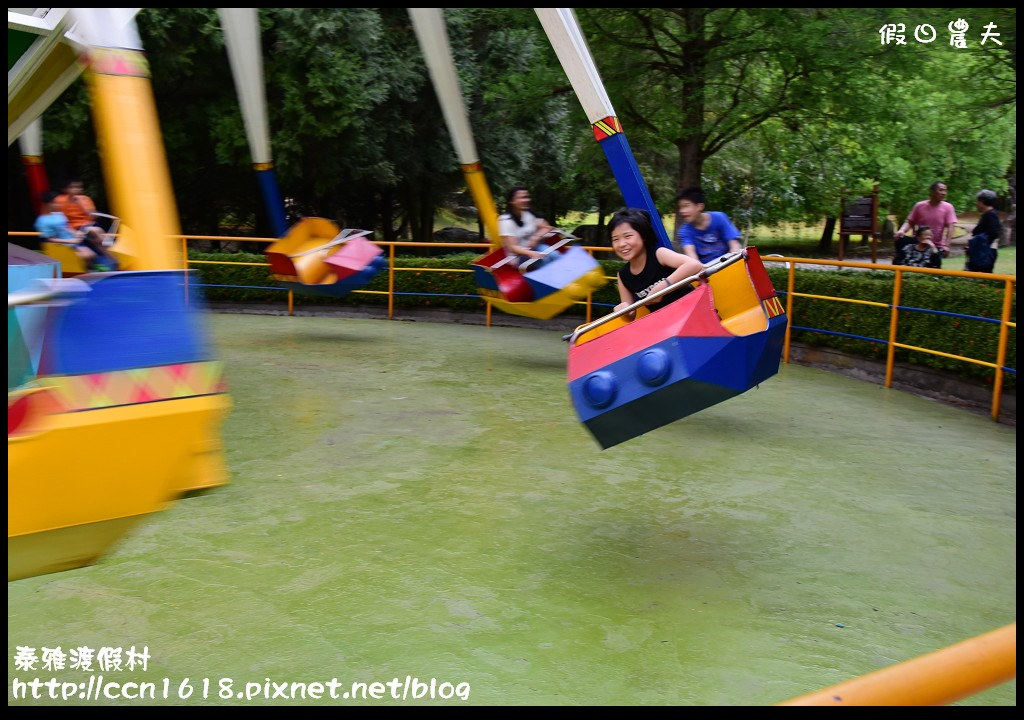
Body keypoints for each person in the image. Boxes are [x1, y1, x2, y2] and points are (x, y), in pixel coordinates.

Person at [612, 207, 704, 317]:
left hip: (692, 310)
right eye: (615, 239)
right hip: (664, 322)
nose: (621, 244)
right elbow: (631, 315)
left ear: (643, 235)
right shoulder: (623, 276)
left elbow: (694, 264)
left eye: (628, 236)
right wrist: (623, 311)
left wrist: (663, 287)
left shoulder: (659, 255)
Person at [35, 190, 118, 271]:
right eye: (55, 203)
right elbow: (49, 239)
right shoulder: (42, 221)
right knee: (88, 255)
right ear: (48, 204)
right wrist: (71, 241)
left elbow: (66, 227)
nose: (58, 205)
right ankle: (92, 269)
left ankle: (112, 258)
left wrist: (76, 234)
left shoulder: (58, 214)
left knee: (96, 231)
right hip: (63, 243)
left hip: (73, 239)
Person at [675, 187, 743, 264]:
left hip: (727, 264)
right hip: (706, 270)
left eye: (686, 206)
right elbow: (693, 258)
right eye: (680, 207)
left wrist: (731, 261)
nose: (682, 211)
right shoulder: (685, 231)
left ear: (700, 206)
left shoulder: (719, 218)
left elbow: (734, 245)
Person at [895, 181, 957, 260]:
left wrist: (947, 246)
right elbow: (910, 222)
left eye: (945, 190)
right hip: (918, 242)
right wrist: (902, 230)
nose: (944, 193)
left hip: (936, 245)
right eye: (941, 190)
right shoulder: (919, 206)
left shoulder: (948, 207)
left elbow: (951, 227)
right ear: (932, 192)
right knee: (900, 238)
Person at [498, 186, 551, 269]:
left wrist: (535, 238)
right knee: (544, 260)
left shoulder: (528, 214)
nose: (526, 200)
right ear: (512, 201)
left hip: (534, 248)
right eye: (522, 198)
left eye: (527, 197)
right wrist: (531, 253)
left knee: (555, 255)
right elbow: (512, 248)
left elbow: (546, 227)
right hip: (519, 256)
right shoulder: (505, 220)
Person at [965, 189, 1002, 273]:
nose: (976, 204)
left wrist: (978, 244)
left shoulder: (991, 215)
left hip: (984, 254)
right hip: (981, 253)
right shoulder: (987, 215)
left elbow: (993, 234)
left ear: (982, 201)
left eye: (978, 201)